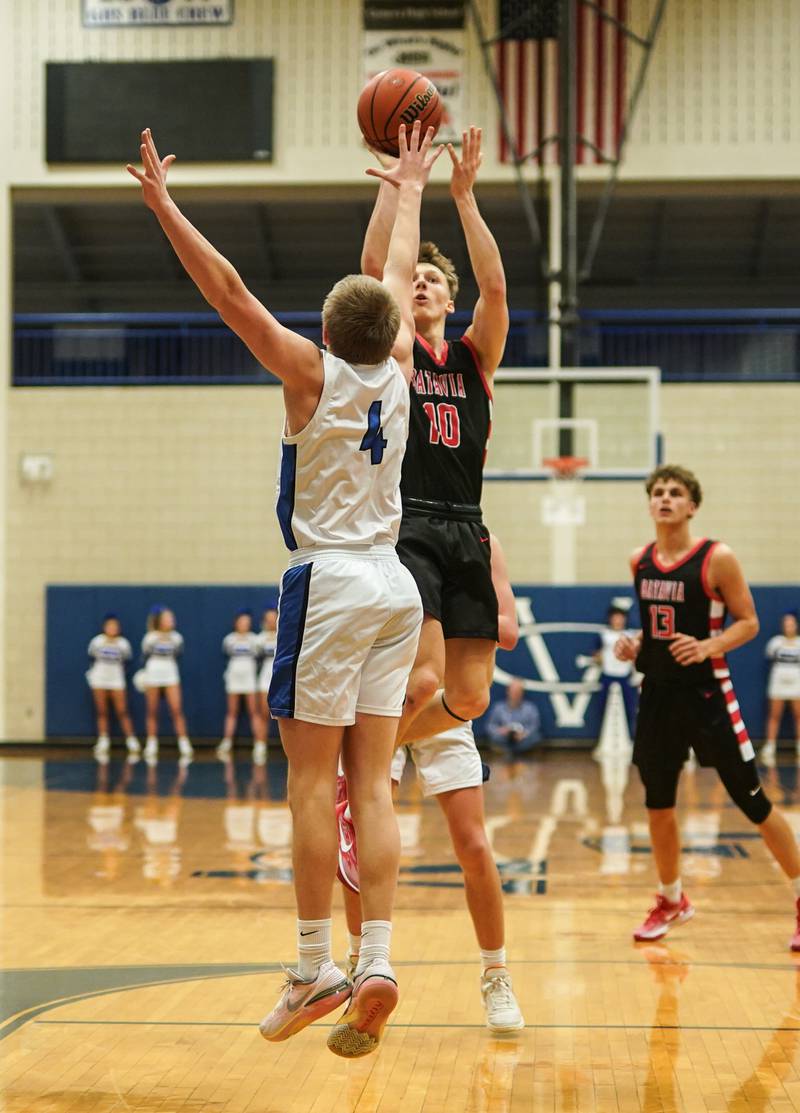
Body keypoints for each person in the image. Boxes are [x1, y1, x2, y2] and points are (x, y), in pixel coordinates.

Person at [127, 121, 439, 1056]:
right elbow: (391, 273)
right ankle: (376, 955)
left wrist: (165, 206)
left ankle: (314, 964)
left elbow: (227, 290)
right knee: (373, 785)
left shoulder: (310, 373)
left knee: (311, 779)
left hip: (332, 581)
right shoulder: (405, 371)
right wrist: (407, 184)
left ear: (326, 333)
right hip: (395, 583)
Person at [338, 534, 525, 1033]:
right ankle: (363, 972)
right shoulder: (376, 530)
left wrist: (451, 610)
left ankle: (496, 974)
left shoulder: (475, 538)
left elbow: (507, 629)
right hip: (381, 698)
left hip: (440, 705)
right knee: (361, 837)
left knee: (473, 844)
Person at [360, 126, 509, 748]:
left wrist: (466, 197)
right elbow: (375, 270)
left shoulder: (475, 357)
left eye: (433, 280)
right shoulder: (398, 350)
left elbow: (496, 289)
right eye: (413, 276)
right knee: (422, 679)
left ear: (451, 299)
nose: (419, 283)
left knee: (470, 697)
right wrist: (398, 189)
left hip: (467, 522)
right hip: (411, 521)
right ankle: (363, 771)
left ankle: (385, 752)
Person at [614, 464, 800, 948]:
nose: (665, 499)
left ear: (692, 505)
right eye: (657, 492)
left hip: (707, 694)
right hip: (656, 694)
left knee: (753, 801)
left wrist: (708, 645)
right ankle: (671, 898)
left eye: (675, 492)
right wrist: (636, 644)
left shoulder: (717, 558)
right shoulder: (640, 560)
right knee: (658, 804)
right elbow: (656, 624)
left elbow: (749, 622)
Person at [140, 605, 193, 763]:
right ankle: (151, 744)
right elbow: (145, 656)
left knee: (176, 710)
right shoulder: (150, 638)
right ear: (159, 620)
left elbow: (178, 654)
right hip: (153, 673)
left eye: (172, 617)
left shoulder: (177, 638)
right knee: (152, 710)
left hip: (170, 674)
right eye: (168, 617)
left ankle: (184, 744)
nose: (171, 620)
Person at [86, 614, 140, 762]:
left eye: (115, 626)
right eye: (110, 625)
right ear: (104, 627)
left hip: (116, 679)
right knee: (102, 711)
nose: (112, 628)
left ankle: (131, 740)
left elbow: (128, 661)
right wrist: (93, 675)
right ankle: (103, 740)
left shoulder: (123, 644)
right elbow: (91, 658)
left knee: (122, 710)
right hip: (99, 679)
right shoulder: (97, 642)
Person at [217, 609, 267, 765]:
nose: (244, 624)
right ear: (236, 623)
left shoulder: (255, 639)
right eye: (242, 621)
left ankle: (259, 744)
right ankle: (227, 742)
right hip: (234, 678)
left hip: (250, 678)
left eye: (247, 622)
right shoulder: (229, 640)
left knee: (254, 712)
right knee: (232, 712)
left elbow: (260, 656)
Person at [759, 612, 800, 767]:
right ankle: (770, 746)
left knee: (798, 716)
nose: (789, 626)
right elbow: (770, 658)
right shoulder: (775, 643)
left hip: (796, 683)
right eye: (786, 623)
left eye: (791, 623)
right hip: (778, 683)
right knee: (774, 715)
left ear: (796, 625)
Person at [592, 604, 639, 735]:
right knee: (603, 708)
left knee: (629, 709)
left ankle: (630, 739)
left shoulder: (631, 635)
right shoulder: (603, 635)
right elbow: (597, 653)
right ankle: (603, 738)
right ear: (610, 619)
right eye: (615, 617)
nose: (618, 620)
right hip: (607, 675)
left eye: (620, 618)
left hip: (625, 676)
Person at [485, 678, 542, 758]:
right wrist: (501, 731)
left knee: (535, 738)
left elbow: (535, 726)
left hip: (523, 740)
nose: (515, 694)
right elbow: (490, 726)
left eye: (518, 692)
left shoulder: (530, 708)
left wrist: (524, 734)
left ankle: (516, 752)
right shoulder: (498, 708)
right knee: (494, 739)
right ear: (508, 691)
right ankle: (507, 751)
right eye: (514, 692)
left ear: (522, 693)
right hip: (504, 739)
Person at [256, 607, 278, 736]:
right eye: (268, 619)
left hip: (280, 677)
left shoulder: (284, 636)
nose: (271, 621)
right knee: (264, 712)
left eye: (273, 618)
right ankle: (260, 745)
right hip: (265, 676)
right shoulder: (259, 639)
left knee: (285, 716)